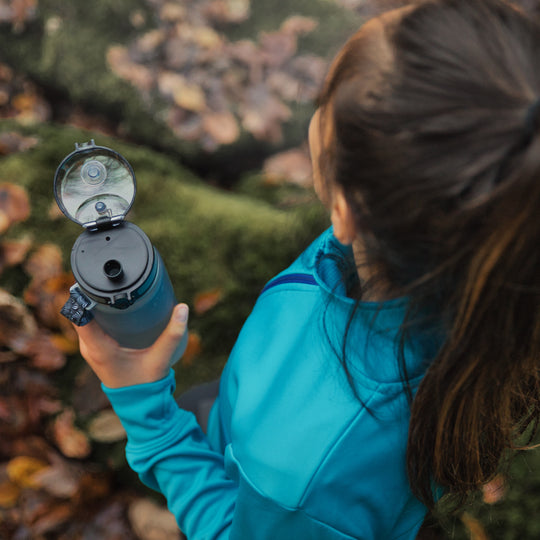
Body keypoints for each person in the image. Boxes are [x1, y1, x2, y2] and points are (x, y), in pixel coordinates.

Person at [73, 1, 540, 538]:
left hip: (277, 489)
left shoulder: (302, 478)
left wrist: (148, 411)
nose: (317, 116)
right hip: (261, 422)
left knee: (197, 432)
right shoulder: (491, 243)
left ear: (345, 209)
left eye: (325, 102)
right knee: (209, 408)